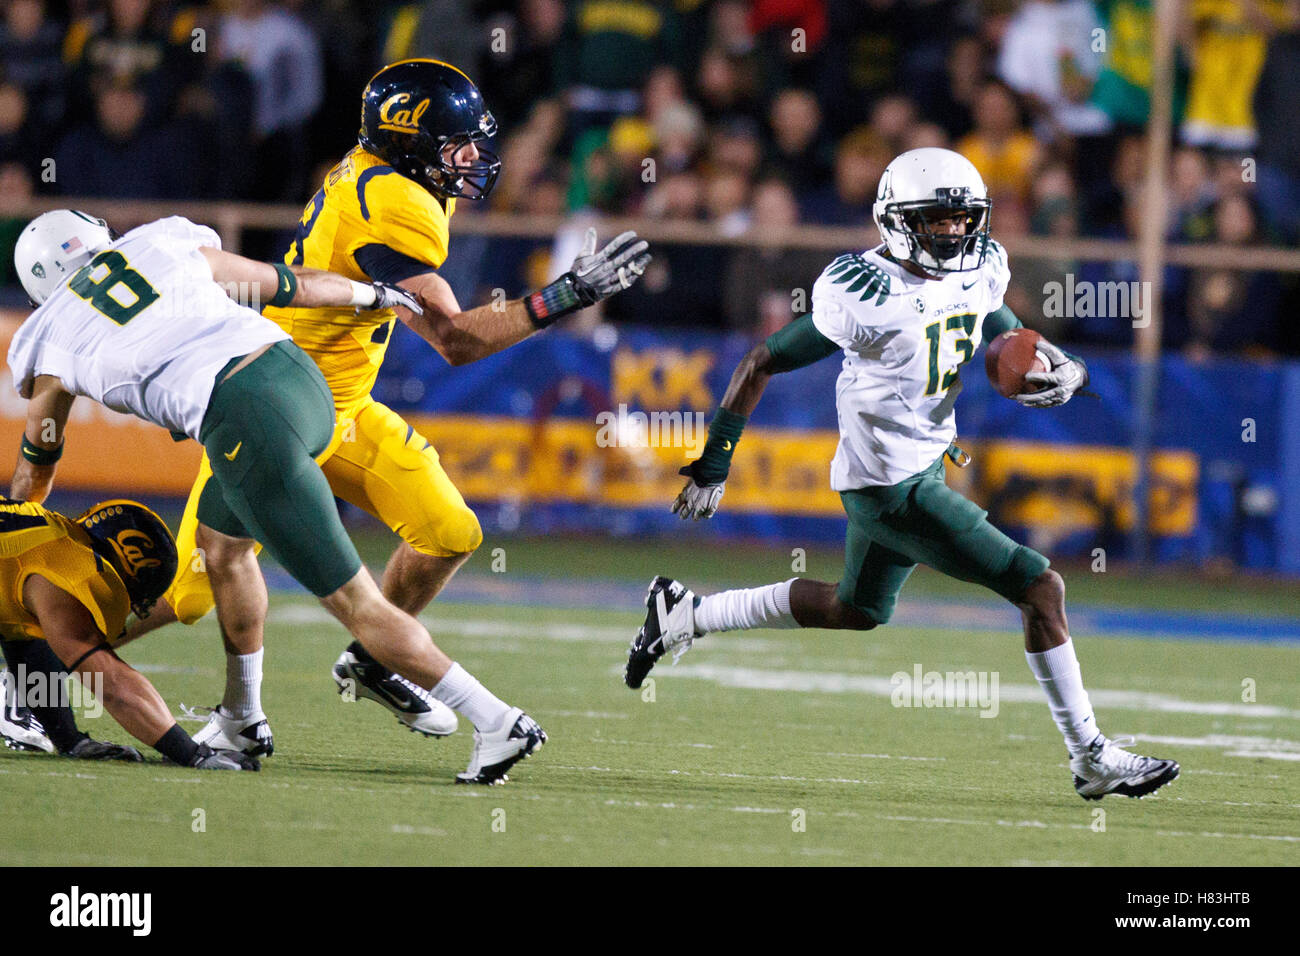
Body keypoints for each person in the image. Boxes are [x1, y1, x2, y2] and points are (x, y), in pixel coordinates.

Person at [118, 59, 649, 761]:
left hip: (339, 404)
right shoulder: (395, 200)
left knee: (448, 531)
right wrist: (562, 297)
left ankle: (375, 661)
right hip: (272, 401)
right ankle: (35, 655)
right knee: (187, 591)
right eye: (454, 145)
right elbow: (455, 340)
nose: (470, 160)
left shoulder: (392, 172)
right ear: (409, 143)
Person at [626, 148, 1181, 801]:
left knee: (853, 609)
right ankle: (1089, 756)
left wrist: (1040, 357)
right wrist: (715, 461)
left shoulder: (982, 265)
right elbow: (763, 360)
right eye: (935, 219)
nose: (952, 232)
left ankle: (685, 613)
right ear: (896, 219)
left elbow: (988, 319)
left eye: (961, 218)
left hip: (920, 468)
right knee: (1041, 588)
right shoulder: (865, 292)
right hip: (891, 487)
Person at [7, 208, 636, 783]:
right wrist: (374, 294)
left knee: (357, 603)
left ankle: (496, 721)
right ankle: (241, 714)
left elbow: (34, 473)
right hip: (303, 380)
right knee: (222, 549)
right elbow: (288, 284)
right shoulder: (160, 243)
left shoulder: (51, 338)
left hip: (244, 417)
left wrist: (17, 548)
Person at [0, 495, 256, 770]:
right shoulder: (67, 577)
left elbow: (26, 646)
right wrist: (191, 753)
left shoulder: (50, 545)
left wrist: (70, 741)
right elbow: (113, 683)